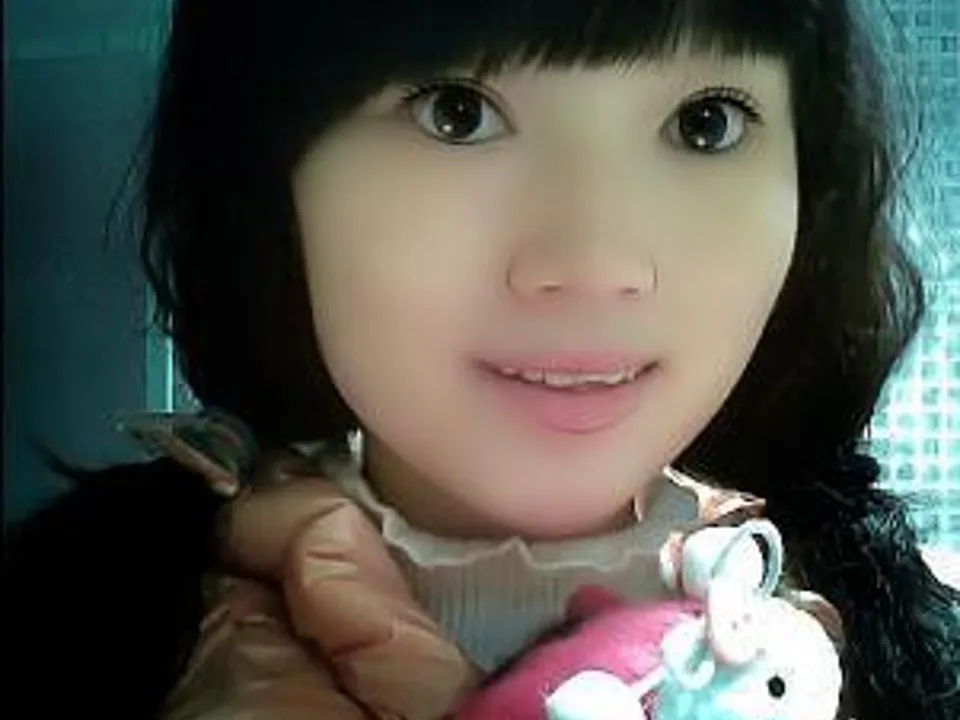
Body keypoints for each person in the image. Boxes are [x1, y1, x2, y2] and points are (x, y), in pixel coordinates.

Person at [5, 1, 959, 718]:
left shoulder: (899, 652)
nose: (595, 263)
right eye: (457, 114)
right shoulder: (76, 627)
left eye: (705, 123)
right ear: (272, 172)